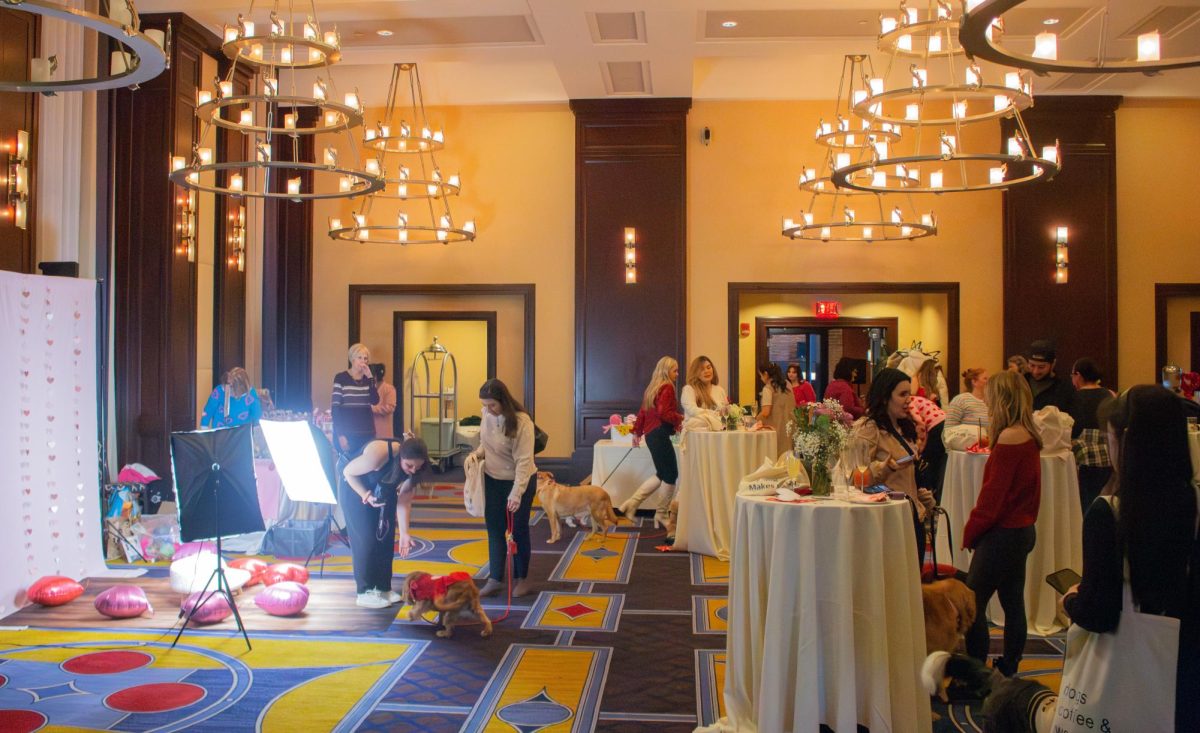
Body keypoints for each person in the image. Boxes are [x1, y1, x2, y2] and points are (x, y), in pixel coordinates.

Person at [1061, 385, 1198, 729]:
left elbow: (1100, 614)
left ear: (1126, 444)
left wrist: (1071, 601)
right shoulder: (1194, 502)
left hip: (1131, 671)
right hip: (1189, 664)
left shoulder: (1109, 514)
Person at [961, 371, 1042, 677]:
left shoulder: (1008, 439)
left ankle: (976, 671)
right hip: (1022, 530)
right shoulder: (1029, 435)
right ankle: (1009, 665)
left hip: (1003, 534)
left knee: (973, 602)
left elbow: (991, 500)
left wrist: (971, 532)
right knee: (1012, 600)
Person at [340, 436, 431, 608]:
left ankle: (382, 587)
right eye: (409, 466)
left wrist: (404, 534)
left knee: (385, 538)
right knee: (366, 540)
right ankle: (364, 592)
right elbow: (348, 472)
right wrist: (365, 495)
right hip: (354, 489)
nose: (412, 470)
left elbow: (404, 501)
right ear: (401, 457)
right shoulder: (380, 453)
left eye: (417, 467)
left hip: (381, 491)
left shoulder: (414, 471)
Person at [472, 379, 537, 598]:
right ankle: (495, 578)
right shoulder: (486, 414)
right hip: (492, 478)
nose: (488, 410)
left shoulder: (522, 422)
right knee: (494, 529)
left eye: (492, 405)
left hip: (520, 480)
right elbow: (486, 442)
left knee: (517, 530)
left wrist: (516, 493)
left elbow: (524, 461)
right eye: (485, 405)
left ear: (503, 402)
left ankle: (523, 578)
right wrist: (478, 454)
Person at [851, 367, 935, 518]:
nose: (909, 400)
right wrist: (883, 467)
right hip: (886, 515)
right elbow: (854, 477)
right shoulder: (869, 428)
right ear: (885, 397)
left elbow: (908, 479)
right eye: (902, 394)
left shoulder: (904, 427)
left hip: (911, 513)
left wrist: (925, 502)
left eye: (909, 394)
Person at [619, 357, 684, 539]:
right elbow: (664, 413)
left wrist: (637, 432)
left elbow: (642, 412)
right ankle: (662, 513)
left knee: (662, 474)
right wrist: (681, 418)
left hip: (651, 435)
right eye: (675, 371)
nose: (677, 375)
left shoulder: (652, 388)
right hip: (660, 433)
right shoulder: (668, 387)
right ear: (666, 371)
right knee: (671, 475)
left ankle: (633, 503)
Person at [1069, 358, 1113, 511]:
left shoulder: (1075, 397)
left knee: (1085, 503)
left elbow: (1071, 429)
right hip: (1108, 456)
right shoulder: (1110, 394)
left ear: (1078, 376)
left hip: (1083, 458)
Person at [332, 343, 379, 456]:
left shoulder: (369, 380)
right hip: (348, 433)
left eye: (365, 358)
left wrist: (371, 378)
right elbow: (335, 408)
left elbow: (375, 400)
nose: (363, 361)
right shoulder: (341, 378)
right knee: (348, 467)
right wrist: (340, 435)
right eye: (360, 357)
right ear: (352, 359)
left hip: (367, 432)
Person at [756, 362, 797, 457]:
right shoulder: (787, 384)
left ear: (765, 374)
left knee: (777, 459)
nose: (760, 378)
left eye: (760, 375)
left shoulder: (768, 388)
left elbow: (766, 412)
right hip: (790, 427)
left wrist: (755, 418)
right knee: (789, 457)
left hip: (777, 429)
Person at [1025, 339, 1076, 414]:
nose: (1035, 371)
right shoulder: (1020, 382)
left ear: (1053, 364)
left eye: (1041, 367)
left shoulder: (1064, 389)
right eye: (1032, 365)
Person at [680, 355, 729, 420]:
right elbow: (692, 411)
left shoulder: (720, 390)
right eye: (702, 369)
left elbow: (726, 414)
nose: (706, 371)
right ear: (695, 372)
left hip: (719, 429)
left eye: (708, 367)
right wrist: (715, 413)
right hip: (696, 429)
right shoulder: (689, 389)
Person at [944, 368, 991, 433]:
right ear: (974, 382)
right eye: (985, 378)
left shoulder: (992, 401)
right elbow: (948, 429)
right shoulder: (960, 400)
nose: (989, 382)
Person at [370, 363, 397, 440]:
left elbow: (390, 408)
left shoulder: (389, 389)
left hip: (383, 430)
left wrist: (372, 408)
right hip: (370, 430)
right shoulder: (369, 388)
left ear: (375, 376)